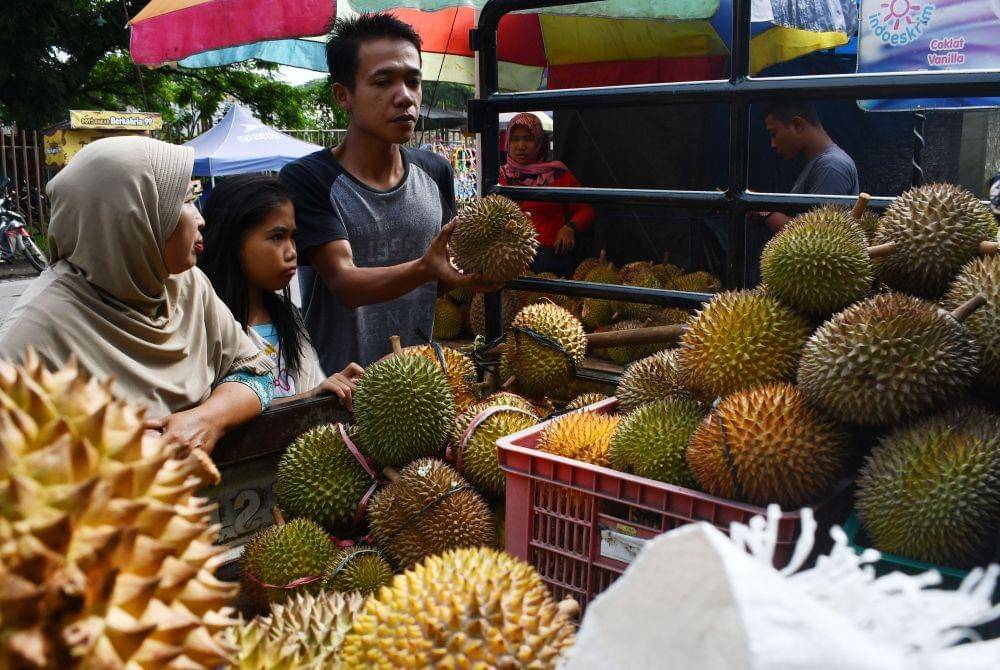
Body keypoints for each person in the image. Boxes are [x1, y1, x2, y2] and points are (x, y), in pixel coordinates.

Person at [0, 136, 274, 455]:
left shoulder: (189, 286)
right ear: (132, 217)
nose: (200, 219)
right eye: (185, 201)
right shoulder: (38, 329)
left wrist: (207, 419)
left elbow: (255, 373)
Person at [279, 13, 496, 374]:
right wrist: (426, 269)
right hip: (339, 387)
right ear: (343, 95)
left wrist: (474, 273)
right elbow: (344, 283)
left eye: (413, 81)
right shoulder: (308, 179)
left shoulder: (436, 170)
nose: (405, 98)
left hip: (420, 383)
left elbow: (432, 281)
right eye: (383, 82)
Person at [198, 174, 364, 408]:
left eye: (292, 237)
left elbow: (311, 386)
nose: (292, 252)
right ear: (233, 241)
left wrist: (334, 388)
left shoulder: (288, 316)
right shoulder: (206, 326)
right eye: (277, 237)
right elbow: (217, 417)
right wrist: (308, 397)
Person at [500, 112, 596, 277]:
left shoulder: (557, 175)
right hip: (510, 258)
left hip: (551, 258)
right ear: (507, 142)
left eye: (528, 139)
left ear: (539, 142)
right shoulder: (500, 178)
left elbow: (587, 210)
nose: (520, 146)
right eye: (515, 139)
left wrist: (570, 227)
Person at [754, 100, 860, 234]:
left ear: (798, 125)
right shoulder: (820, 164)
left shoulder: (831, 166)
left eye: (774, 133)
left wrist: (763, 210)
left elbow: (816, 235)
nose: (773, 144)